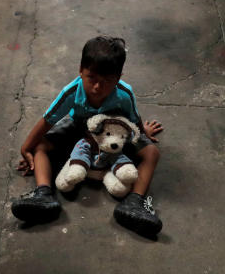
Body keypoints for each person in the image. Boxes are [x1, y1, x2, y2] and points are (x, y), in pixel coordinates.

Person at [10, 36, 165, 236]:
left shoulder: (125, 94)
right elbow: (47, 120)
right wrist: (26, 148)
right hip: (77, 126)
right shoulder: (71, 92)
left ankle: (134, 203)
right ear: (81, 71)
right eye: (91, 77)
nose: (97, 87)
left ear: (118, 78)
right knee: (40, 146)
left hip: (113, 131)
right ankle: (43, 194)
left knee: (152, 152)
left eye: (107, 81)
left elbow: (134, 119)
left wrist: (143, 134)